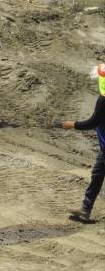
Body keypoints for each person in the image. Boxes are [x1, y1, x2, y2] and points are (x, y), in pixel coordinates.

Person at [61, 63, 105, 223]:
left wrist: (72, 124)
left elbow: (93, 122)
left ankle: (86, 209)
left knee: (97, 176)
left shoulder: (103, 101)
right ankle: (85, 210)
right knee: (97, 175)